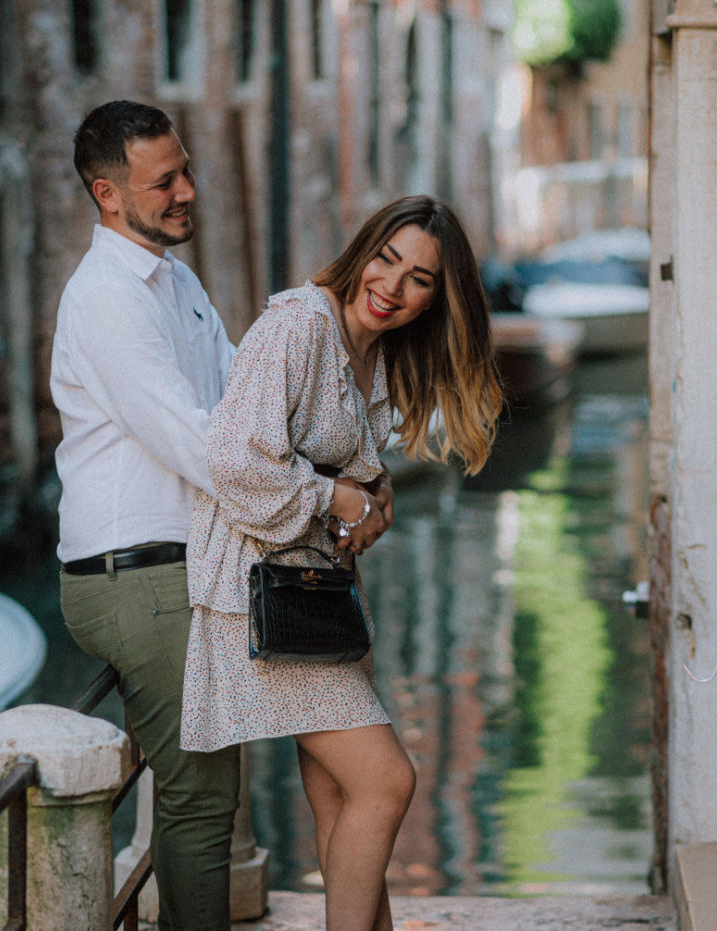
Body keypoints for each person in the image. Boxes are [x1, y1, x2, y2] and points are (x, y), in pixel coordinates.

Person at [181, 195, 503, 930]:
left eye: (420, 278)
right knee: (387, 783)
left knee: (340, 803)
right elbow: (232, 459)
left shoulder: (373, 352)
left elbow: (345, 465)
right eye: (387, 259)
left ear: (435, 298)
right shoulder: (299, 325)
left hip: (317, 598)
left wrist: (373, 494)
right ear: (364, 249)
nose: (393, 285)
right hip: (257, 596)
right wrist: (341, 500)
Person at [50, 100, 240, 931]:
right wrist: (315, 494)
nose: (187, 191)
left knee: (201, 788)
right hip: (137, 576)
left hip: (174, 566)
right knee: (200, 798)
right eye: (163, 181)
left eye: (187, 170)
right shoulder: (106, 299)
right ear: (108, 194)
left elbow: (242, 400)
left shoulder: (179, 280)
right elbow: (199, 444)